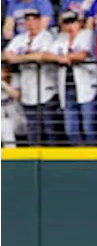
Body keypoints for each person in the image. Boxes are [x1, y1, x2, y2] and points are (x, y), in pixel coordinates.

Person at [2, 8, 57, 144]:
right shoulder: (21, 38)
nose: (31, 23)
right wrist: (22, 57)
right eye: (28, 20)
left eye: (34, 19)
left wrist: (18, 58)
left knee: (49, 129)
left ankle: (54, 163)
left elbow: (42, 56)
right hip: (28, 90)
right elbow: (5, 54)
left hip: (46, 88)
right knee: (32, 129)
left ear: (39, 20)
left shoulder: (46, 36)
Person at [50, 10, 97, 146]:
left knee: (88, 127)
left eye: (72, 22)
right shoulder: (61, 38)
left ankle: (92, 159)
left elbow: (82, 54)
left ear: (79, 22)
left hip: (86, 85)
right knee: (70, 129)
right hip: (67, 87)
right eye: (66, 23)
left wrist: (66, 58)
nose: (69, 26)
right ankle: (78, 159)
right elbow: (48, 55)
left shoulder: (86, 34)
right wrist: (61, 58)